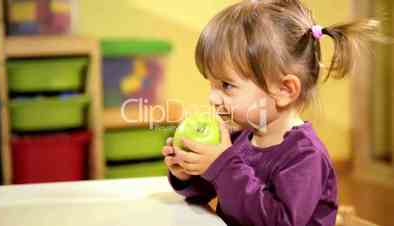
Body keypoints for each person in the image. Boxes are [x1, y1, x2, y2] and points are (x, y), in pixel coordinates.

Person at [162, 0, 378, 225]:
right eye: (211, 84)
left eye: (226, 85)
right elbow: (220, 188)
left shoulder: (305, 157)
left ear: (284, 90)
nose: (212, 98)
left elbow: (280, 221)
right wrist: (189, 173)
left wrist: (223, 166)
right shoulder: (241, 136)